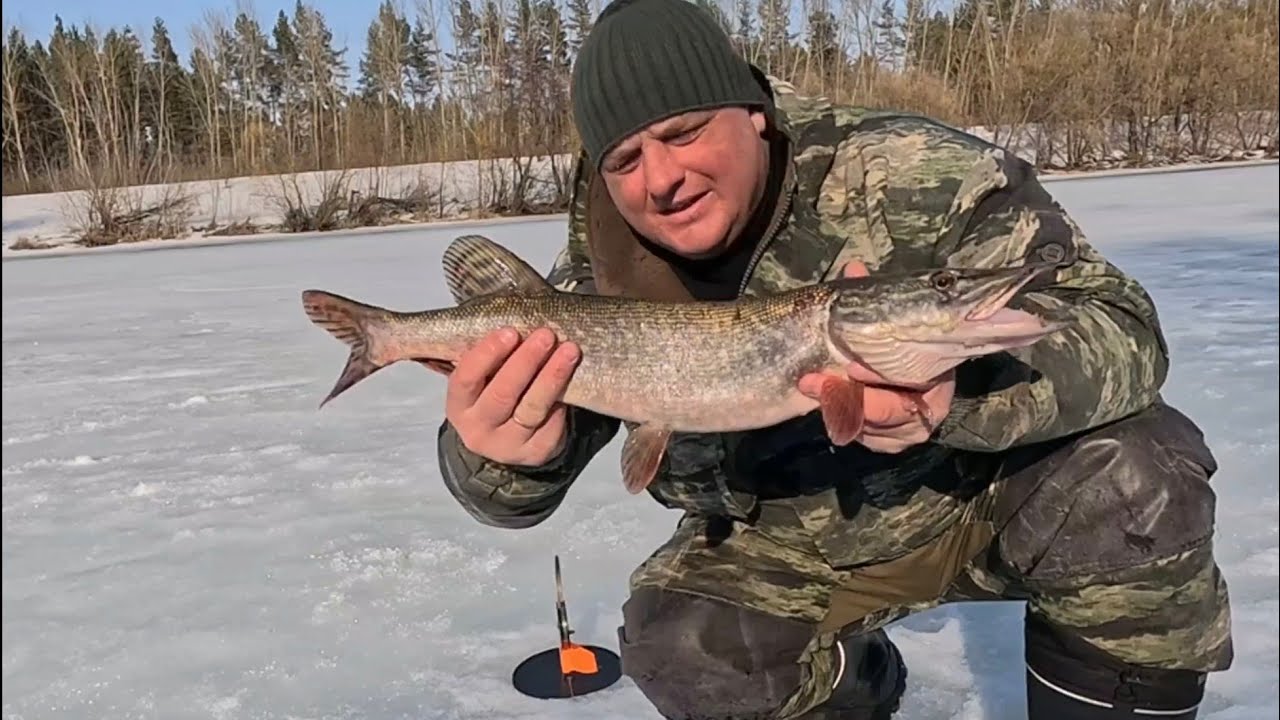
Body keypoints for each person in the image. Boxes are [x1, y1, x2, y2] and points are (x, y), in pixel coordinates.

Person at [433, 0, 1234, 717]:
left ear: (752, 112)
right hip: (790, 540)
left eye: (684, 133)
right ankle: (858, 685)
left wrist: (955, 400)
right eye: (625, 161)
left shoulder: (915, 173)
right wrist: (502, 459)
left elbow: (1120, 326)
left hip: (986, 495)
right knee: (685, 645)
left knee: (1139, 480)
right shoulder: (598, 281)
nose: (663, 179)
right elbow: (510, 492)